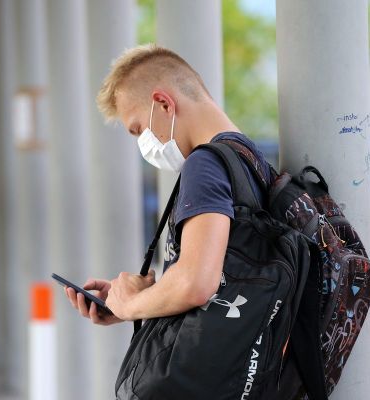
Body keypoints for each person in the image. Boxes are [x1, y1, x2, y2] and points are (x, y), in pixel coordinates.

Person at [63, 43, 271, 330]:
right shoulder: (250, 158)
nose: (142, 143)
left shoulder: (204, 164)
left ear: (163, 103)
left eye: (137, 130)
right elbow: (223, 277)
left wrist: (130, 305)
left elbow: (196, 284)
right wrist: (146, 297)